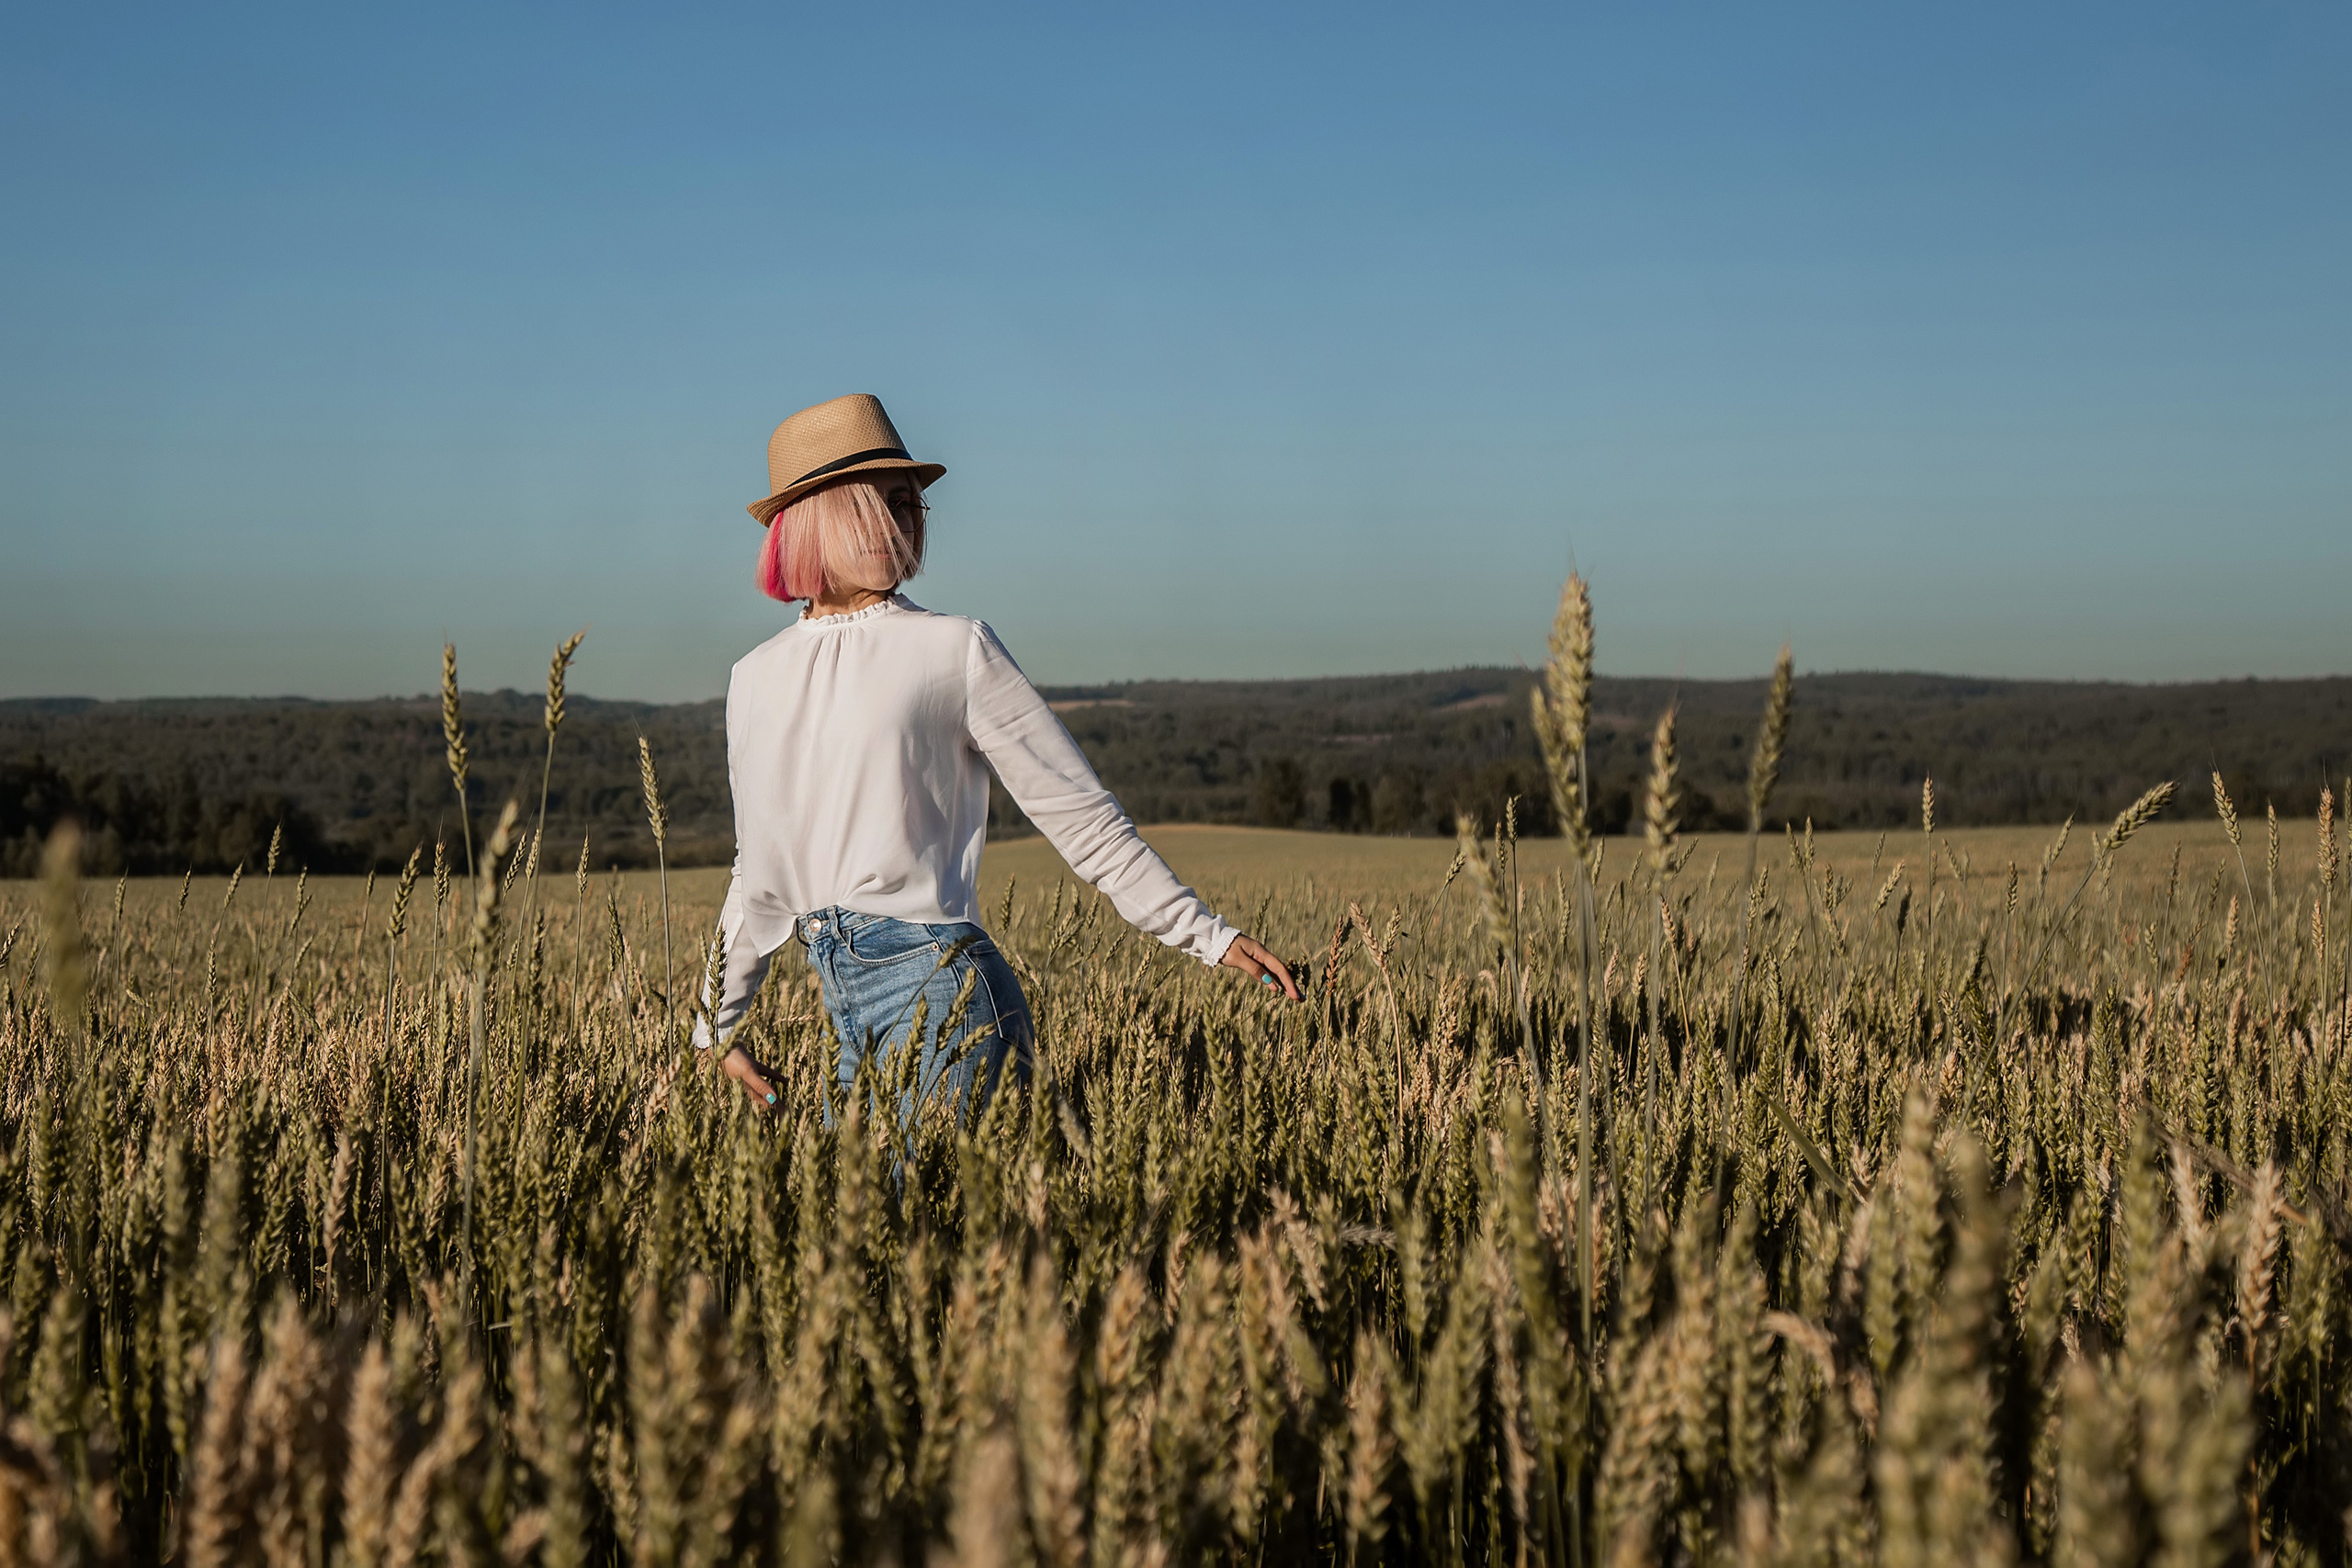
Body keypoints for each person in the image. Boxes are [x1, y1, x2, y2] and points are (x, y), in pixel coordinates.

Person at [697, 393, 1301, 1116]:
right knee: (863, 1228)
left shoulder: (955, 649)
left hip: (945, 986)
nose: (908, 516)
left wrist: (1206, 934)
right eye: (882, 500)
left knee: (934, 1224)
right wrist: (714, 1023)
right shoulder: (753, 678)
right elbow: (758, 868)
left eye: (911, 499)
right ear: (822, 515)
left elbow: (1082, 818)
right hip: (844, 1005)